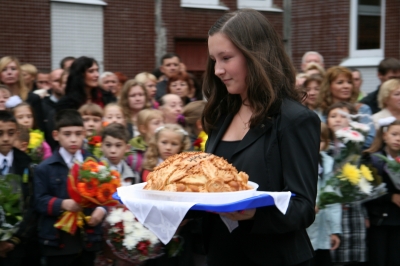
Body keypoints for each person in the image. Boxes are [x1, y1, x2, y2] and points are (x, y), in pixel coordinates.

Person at [199, 9, 320, 265]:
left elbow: (303, 208)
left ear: (256, 56)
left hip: (273, 257)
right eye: (214, 60)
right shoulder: (221, 115)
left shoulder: (294, 119)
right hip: (222, 254)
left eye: (226, 58)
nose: (218, 70)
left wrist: (254, 213)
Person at [34, 109, 106, 266]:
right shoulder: (45, 168)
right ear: (55, 135)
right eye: (67, 134)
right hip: (58, 241)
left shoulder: (95, 163)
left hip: (89, 238)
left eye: (78, 133)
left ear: (84, 134)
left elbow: (107, 193)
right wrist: (63, 204)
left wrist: (102, 210)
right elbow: (39, 201)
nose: (73, 139)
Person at [324, 102, 369, 265]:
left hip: (353, 210)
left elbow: (364, 182)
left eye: (344, 116)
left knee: (353, 257)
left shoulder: (357, 150)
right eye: (333, 116)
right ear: (327, 121)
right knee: (333, 255)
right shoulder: (323, 149)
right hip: (330, 209)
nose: (338, 120)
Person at [0, 110, 40, 266]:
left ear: (17, 133)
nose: (5, 139)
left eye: (10, 133)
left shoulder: (26, 163)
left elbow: (32, 204)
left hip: (19, 245)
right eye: (0, 133)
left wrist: (13, 240)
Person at [363, 118, 400, 266]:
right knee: (378, 259)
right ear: (384, 135)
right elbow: (365, 190)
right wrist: (390, 197)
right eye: (394, 134)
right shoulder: (372, 159)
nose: (398, 139)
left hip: (398, 220)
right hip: (379, 219)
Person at [306, 123, 341, 266]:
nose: (315, 144)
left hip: (323, 230)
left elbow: (334, 200)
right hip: (303, 229)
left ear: (326, 143)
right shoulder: (297, 162)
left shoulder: (329, 164)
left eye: (320, 141)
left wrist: (335, 231)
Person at [316, 66, 375, 148]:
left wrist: (346, 149)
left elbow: (369, 140)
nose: (346, 86)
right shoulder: (321, 112)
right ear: (329, 86)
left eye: (349, 82)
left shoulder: (362, 109)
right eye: (340, 82)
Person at [0, 56, 44, 131]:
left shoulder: (32, 98)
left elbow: (38, 127)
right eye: (4, 70)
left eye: (13, 69)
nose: (9, 72)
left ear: (19, 73)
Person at [127, 109, 164, 178]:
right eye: (156, 123)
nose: (162, 126)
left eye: (163, 122)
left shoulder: (165, 147)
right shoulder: (133, 150)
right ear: (143, 128)